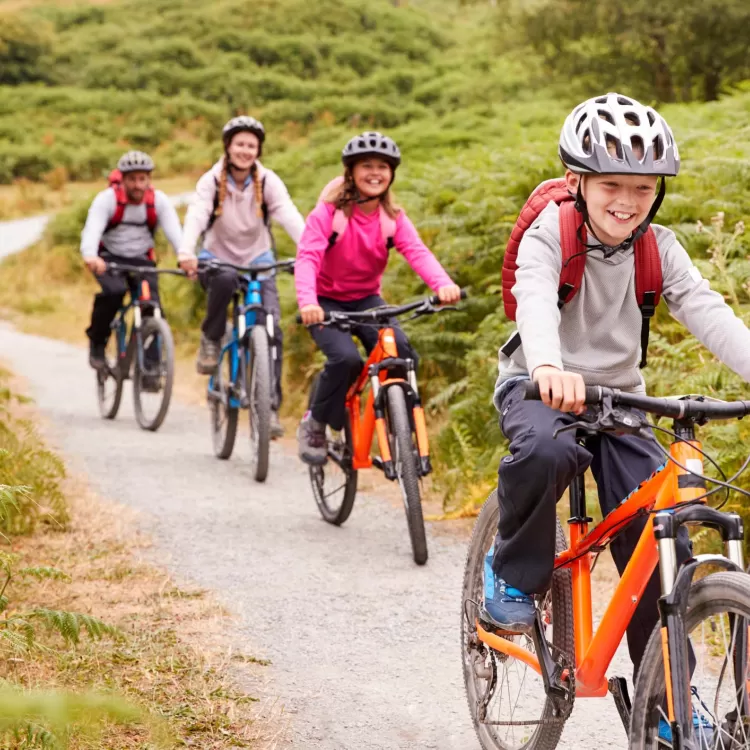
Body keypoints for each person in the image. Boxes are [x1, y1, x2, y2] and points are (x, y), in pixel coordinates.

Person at [485, 92, 750, 742]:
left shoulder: (658, 248)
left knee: (663, 532)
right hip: (538, 386)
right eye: (611, 185)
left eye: (641, 187)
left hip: (621, 402)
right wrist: (547, 365)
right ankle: (509, 571)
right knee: (547, 453)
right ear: (577, 182)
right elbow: (535, 297)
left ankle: (665, 708)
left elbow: (709, 312)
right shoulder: (554, 232)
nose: (626, 201)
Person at [294, 131, 462, 465]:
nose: (375, 173)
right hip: (325, 302)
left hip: (367, 299)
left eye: (382, 167)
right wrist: (308, 303)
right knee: (345, 360)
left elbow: (418, 252)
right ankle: (314, 422)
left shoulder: (392, 218)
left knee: (400, 352)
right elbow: (307, 258)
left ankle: (404, 431)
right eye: (366, 166)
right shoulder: (328, 214)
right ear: (351, 173)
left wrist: (444, 285)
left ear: (391, 173)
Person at [179, 116, 304, 439]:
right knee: (222, 280)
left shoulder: (268, 181)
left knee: (272, 327)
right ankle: (211, 338)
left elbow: (288, 214)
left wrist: (310, 250)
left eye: (251, 145)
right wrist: (185, 251)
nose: (245, 151)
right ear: (228, 147)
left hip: (259, 258)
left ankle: (270, 409)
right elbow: (196, 214)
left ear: (258, 150)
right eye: (240, 144)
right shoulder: (212, 180)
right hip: (217, 257)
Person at [81, 150, 186, 385]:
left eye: (142, 179)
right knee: (114, 293)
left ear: (149, 179)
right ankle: (97, 343)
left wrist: (187, 257)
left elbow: (177, 235)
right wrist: (91, 256)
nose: (137, 185)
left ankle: (150, 368)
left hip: (142, 260)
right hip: (109, 258)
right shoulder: (107, 199)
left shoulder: (158, 201)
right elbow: (92, 230)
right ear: (123, 179)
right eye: (132, 179)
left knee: (152, 308)